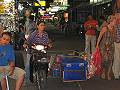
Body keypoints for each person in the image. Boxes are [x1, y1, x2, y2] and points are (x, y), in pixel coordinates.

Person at [96, 16, 115, 80]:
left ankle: (108, 74)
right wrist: (97, 45)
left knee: (111, 60)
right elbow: (100, 36)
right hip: (103, 46)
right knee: (104, 60)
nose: (115, 22)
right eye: (114, 21)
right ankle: (103, 72)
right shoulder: (105, 28)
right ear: (110, 21)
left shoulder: (114, 28)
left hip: (111, 46)